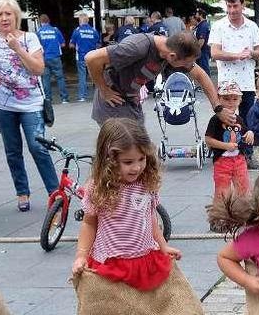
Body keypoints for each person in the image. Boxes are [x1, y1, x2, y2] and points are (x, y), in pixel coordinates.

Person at [0, 0, 59, 212]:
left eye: (8, 13)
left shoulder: (30, 39)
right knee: (13, 150)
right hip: (1, 105)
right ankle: (22, 193)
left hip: (31, 105)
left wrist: (18, 48)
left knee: (38, 147)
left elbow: (38, 69)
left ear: (16, 16)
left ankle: (55, 194)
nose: (4, 18)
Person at [71, 118, 180, 290]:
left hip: (143, 259)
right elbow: (89, 223)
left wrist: (163, 246)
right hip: (110, 262)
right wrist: (81, 256)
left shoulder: (146, 183)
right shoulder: (98, 187)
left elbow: (150, 218)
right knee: (114, 311)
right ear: (109, 160)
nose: (136, 167)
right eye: (128, 162)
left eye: (141, 159)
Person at [85, 32, 232, 126]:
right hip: (112, 104)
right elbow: (91, 58)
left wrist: (217, 108)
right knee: (124, 157)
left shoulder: (168, 52)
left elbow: (200, 75)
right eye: (186, 63)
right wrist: (104, 90)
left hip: (130, 102)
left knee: (140, 155)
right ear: (173, 57)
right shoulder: (138, 46)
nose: (188, 67)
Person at [209, 0, 259, 167]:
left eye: (235, 6)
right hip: (227, 82)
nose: (232, 10)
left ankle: (246, 154)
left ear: (242, 6)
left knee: (247, 118)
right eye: (229, 6)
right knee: (225, 118)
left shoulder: (252, 26)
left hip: (246, 81)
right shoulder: (219, 26)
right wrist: (235, 55)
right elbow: (215, 53)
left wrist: (251, 53)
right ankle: (222, 152)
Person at [205, 81, 254, 202]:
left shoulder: (239, 119)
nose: (231, 102)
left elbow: (245, 132)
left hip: (239, 160)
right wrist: (225, 145)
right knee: (222, 192)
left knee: (243, 189)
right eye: (226, 99)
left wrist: (250, 133)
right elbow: (208, 140)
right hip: (222, 161)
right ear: (219, 99)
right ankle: (221, 216)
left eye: (234, 99)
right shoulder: (216, 119)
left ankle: (243, 213)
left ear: (240, 100)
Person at [36, 14, 69, 103]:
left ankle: (48, 99)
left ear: (40, 22)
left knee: (45, 79)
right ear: (49, 21)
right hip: (55, 57)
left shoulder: (39, 32)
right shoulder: (55, 30)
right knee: (60, 78)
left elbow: (36, 47)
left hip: (44, 58)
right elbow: (63, 44)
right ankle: (64, 98)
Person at [70, 13, 101, 101]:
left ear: (80, 21)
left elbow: (71, 44)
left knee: (82, 76)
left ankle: (82, 96)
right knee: (95, 76)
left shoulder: (77, 31)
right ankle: (97, 95)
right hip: (92, 57)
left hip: (81, 57)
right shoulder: (94, 31)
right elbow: (98, 44)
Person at [193, 9, 211, 76]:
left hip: (202, 52)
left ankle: (207, 86)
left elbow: (201, 41)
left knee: (204, 71)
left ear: (200, 15)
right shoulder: (201, 25)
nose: (195, 16)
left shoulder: (203, 25)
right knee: (202, 71)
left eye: (196, 14)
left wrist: (195, 51)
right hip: (202, 51)